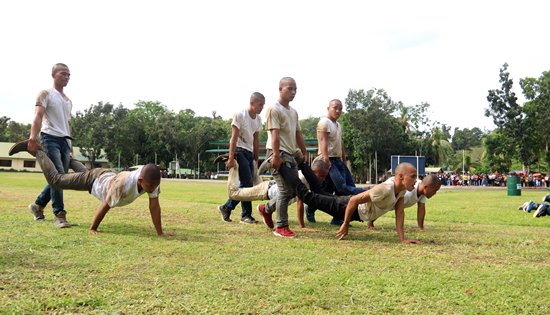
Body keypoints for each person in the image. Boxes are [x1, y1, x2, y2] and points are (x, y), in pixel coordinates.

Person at [9, 140, 174, 237]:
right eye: (150, 186)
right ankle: (37, 151)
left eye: (155, 186)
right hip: (93, 180)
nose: (153, 189)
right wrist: (93, 228)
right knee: (57, 180)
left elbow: (154, 207)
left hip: (105, 176)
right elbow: (105, 205)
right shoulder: (123, 185)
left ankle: (66, 158)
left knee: (73, 172)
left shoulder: (152, 179)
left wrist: (160, 233)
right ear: (140, 180)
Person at [280, 162, 421, 243]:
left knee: (319, 192)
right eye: (413, 176)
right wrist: (345, 224)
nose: (416, 180)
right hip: (345, 207)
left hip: (348, 206)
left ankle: (302, 163)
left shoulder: (401, 190)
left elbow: (400, 213)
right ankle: (283, 167)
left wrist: (402, 239)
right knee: (308, 197)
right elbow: (354, 200)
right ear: (401, 177)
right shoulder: (386, 188)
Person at [257, 77, 307, 238]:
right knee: (286, 190)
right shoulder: (274, 109)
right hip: (277, 153)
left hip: (290, 154)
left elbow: (298, 134)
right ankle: (281, 226)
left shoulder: (293, 112)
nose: (293, 92)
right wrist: (276, 156)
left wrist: (304, 152)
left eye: (295, 89)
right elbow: (275, 135)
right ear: (280, 89)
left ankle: (267, 208)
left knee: (293, 190)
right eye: (289, 88)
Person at [27, 63, 74, 228]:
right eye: (63, 74)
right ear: (54, 75)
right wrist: (32, 138)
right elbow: (38, 116)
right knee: (58, 177)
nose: (67, 77)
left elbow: (67, 124)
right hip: (50, 138)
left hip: (65, 141)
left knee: (60, 177)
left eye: (69, 75)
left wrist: (71, 147)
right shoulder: (45, 94)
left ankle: (38, 205)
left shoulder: (68, 101)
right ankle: (59, 215)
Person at [228, 158, 331, 229]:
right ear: (313, 171)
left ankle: (265, 209)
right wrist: (302, 226)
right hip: (267, 190)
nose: (323, 179)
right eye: (321, 175)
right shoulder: (303, 178)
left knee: (290, 196)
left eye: (325, 176)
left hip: (273, 191)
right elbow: (300, 203)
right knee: (234, 194)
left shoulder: (309, 180)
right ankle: (235, 165)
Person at [310, 99, 365, 225]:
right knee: (342, 188)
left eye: (340, 108)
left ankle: (337, 217)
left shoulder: (338, 125)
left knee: (335, 189)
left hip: (338, 160)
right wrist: (326, 161)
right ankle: (311, 209)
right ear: (328, 108)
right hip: (328, 159)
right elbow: (323, 141)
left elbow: (340, 143)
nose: (338, 111)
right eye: (335, 108)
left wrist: (344, 160)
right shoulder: (324, 123)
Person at [217, 92, 265, 224]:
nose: (262, 108)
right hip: (239, 151)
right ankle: (245, 215)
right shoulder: (240, 115)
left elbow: (256, 138)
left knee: (247, 185)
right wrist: (231, 157)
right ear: (252, 103)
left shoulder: (258, 119)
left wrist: (256, 157)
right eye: (260, 105)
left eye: (263, 105)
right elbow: (233, 138)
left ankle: (226, 207)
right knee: (247, 184)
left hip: (249, 153)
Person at [367, 175, 441, 231]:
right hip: (385, 195)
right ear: (426, 187)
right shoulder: (410, 190)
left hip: (390, 202)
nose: (435, 193)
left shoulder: (422, 193)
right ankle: (370, 221)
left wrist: (421, 228)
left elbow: (421, 210)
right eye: (434, 191)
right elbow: (386, 205)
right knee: (381, 205)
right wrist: (371, 221)